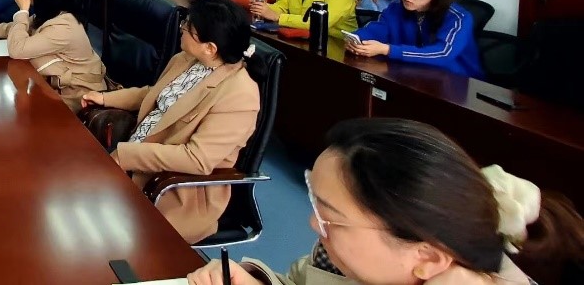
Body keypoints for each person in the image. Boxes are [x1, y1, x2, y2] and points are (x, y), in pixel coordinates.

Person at [187, 118, 584, 285]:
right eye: (316, 204)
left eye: (330, 217)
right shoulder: (338, 255)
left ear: (427, 257)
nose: (312, 223)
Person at [81, 0, 260, 243]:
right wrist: (105, 98)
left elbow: (197, 159)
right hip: (136, 153)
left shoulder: (240, 95)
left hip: (174, 187)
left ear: (210, 48)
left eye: (188, 26)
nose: (181, 28)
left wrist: (127, 155)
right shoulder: (185, 59)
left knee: (89, 222)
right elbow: (155, 94)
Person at [349, 0, 485, 79]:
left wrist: (388, 50)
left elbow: (443, 53)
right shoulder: (395, 8)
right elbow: (377, 30)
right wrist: (355, 39)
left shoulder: (458, 18)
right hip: (408, 74)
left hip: (455, 82)